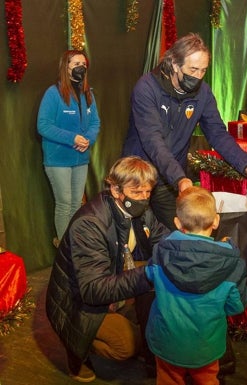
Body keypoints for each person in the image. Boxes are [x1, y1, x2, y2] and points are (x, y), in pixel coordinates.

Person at [122, 32, 247, 231]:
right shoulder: (147, 88)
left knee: (176, 235)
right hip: (140, 176)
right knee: (134, 238)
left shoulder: (204, 93)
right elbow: (153, 140)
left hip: (170, 181)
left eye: (203, 70)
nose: (198, 77)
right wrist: (179, 178)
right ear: (174, 64)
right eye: (193, 69)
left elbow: (217, 133)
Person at [45, 156, 170, 383]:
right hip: (77, 303)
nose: (143, 199)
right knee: (129, 345)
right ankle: (79, 349)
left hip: (113, 275)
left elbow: (163, 239)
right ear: (115, 189)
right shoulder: (90, 224)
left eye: (147, 192)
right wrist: (149, 274)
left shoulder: (140, 209)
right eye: (136, 192)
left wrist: (188, 248)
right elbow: (93, 290)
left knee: (154, 319)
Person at [144, 186, 247, 385]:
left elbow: (149, 276)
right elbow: (236, 305)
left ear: (177, 222)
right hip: (206, 345)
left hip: (167, 341)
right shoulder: (231, 263)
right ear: (216, 221)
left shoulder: (160, 252)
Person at [37, 50, 100, 246]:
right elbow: (43, 125)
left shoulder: (88, 93)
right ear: (66, 67)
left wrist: (88, 139)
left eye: (84, 63)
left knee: (76, 204)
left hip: (80, 159)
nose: (81, 66)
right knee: (64, 204)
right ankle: (66, 248)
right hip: (58, 160)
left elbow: (95, 122)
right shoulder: (53, 93)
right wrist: (72, 138)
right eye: (76, 63)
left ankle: (75, 243)